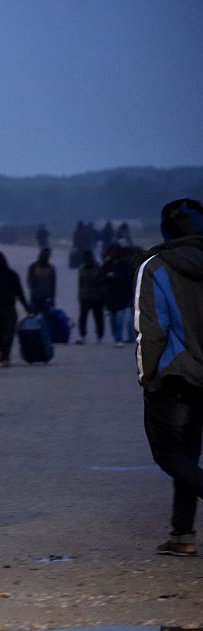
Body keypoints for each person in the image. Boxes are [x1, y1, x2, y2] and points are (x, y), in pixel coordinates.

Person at [134, 198, 203, 558]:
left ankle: (183, 535)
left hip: (174, 376)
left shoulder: (156, 266)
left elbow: (152, 330)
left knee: (168, 454)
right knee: (187, 455)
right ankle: (182, 535)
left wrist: (146, 376)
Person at [0, 252, 29, 367]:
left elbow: (19, 292)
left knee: (9, 333)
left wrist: (27, 307)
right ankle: (4, 353)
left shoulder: (11, 275)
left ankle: (5, 355)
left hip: (8, 308)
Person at [102, 242, 135, 347]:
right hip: (111, 296)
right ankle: (117, 336)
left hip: (122, 295)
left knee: (120, 318)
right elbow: (102, 278)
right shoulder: (107, 264)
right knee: (113, 319)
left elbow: (129, 280)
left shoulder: (124, 264)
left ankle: (119, 337)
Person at [76, 251, 105, 344]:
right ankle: (82, 335)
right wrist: (80, 295)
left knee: (98, 318)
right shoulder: (82, 268)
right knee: (83, 317)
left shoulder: (98, 268)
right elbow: (80, 283)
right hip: (85, 297)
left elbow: (102, 283)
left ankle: (99, 335)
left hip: (97, 297)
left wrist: (103, 297)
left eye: (88, 258)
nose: (87, 260)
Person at [26, 247, 56, 314]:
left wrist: (52, 297)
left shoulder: (51, 268)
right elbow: (30, 282)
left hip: (47, 298)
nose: (46, 257)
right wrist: (35, 292)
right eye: (44, 255)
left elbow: (53, 284)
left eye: (47, 256)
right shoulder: (33, 267)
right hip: (35, 298)